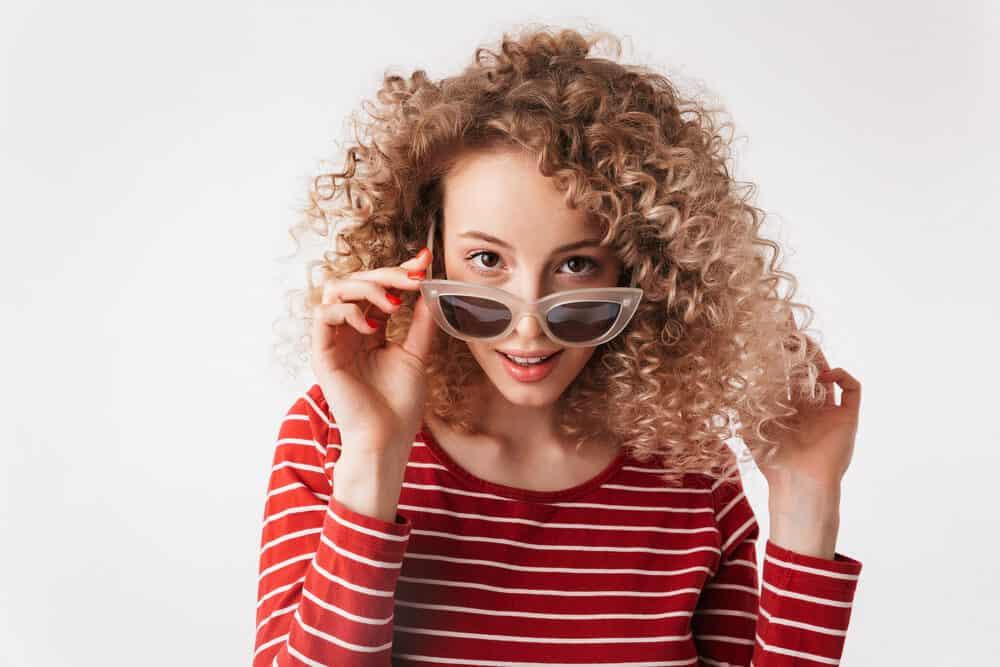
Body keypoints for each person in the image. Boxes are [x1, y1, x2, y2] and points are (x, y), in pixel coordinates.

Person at [255, 25, 863, 666]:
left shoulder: (691, 476)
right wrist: (376, 460)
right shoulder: (334, 437)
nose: (529, 325)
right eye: (486, 258)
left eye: (576, 266)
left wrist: (806, 499)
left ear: (642, 269)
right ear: (422, 245)